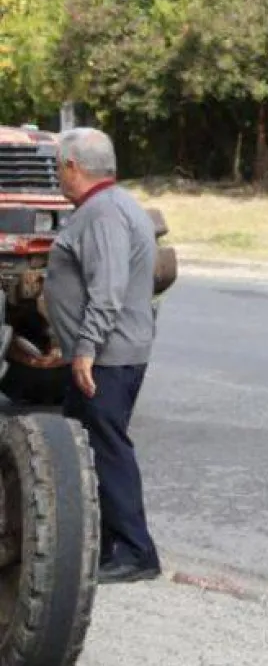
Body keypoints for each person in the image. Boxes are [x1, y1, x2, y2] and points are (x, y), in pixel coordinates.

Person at [45, 127, 162, 583]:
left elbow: (108, 290)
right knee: (87, 449)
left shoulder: (103, 213)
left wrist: (86, 348)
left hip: (106, 358)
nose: (58, 175)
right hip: (107, 354)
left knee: (107, 450)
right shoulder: (111, 205)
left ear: (73, 167)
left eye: (59, 167)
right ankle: (109, 546)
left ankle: (135, 552)